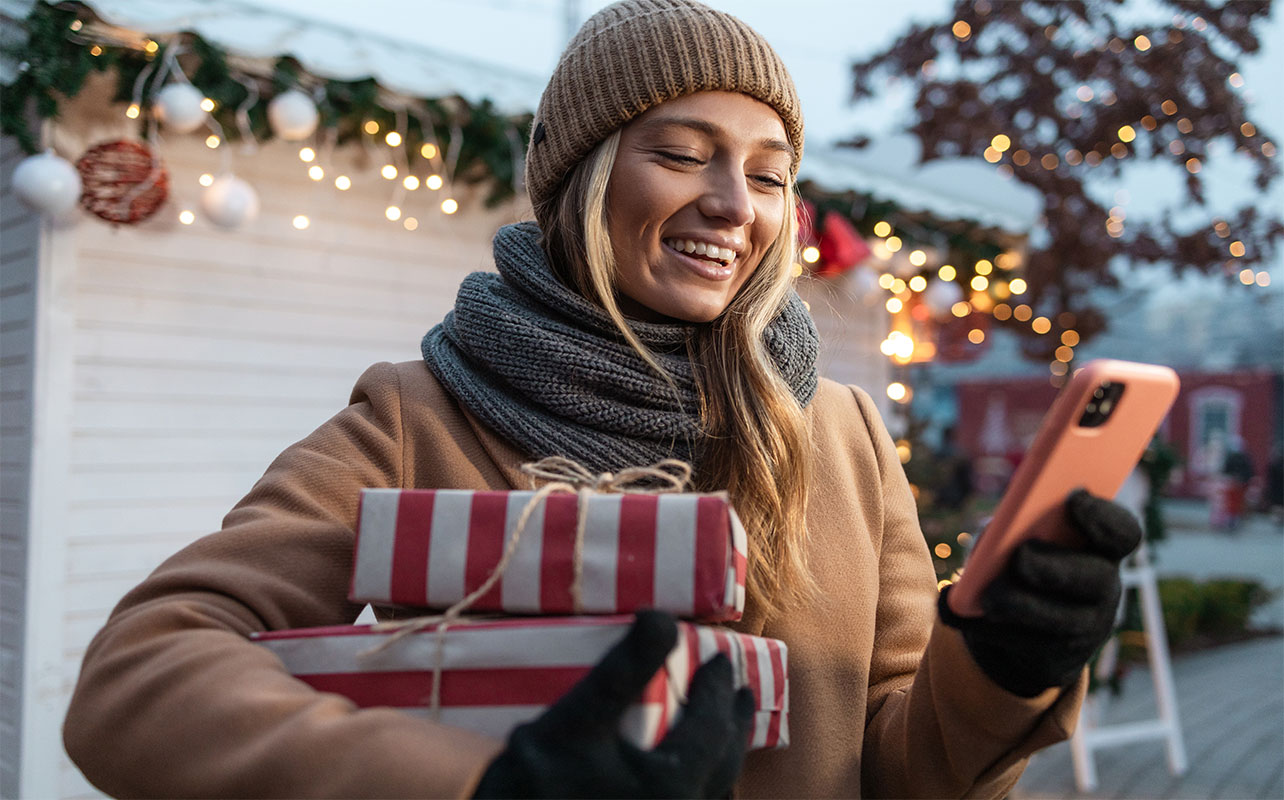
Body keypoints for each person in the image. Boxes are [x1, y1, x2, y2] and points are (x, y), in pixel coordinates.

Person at [62, 2, 1141, 797]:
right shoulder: (417, 416)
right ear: (582, 176)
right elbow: (137, 674)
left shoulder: (845, 433)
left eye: (768, 175)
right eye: (681, 154)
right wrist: (482, 783)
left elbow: (907, 765)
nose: (732, 203)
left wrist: (1001, 664)